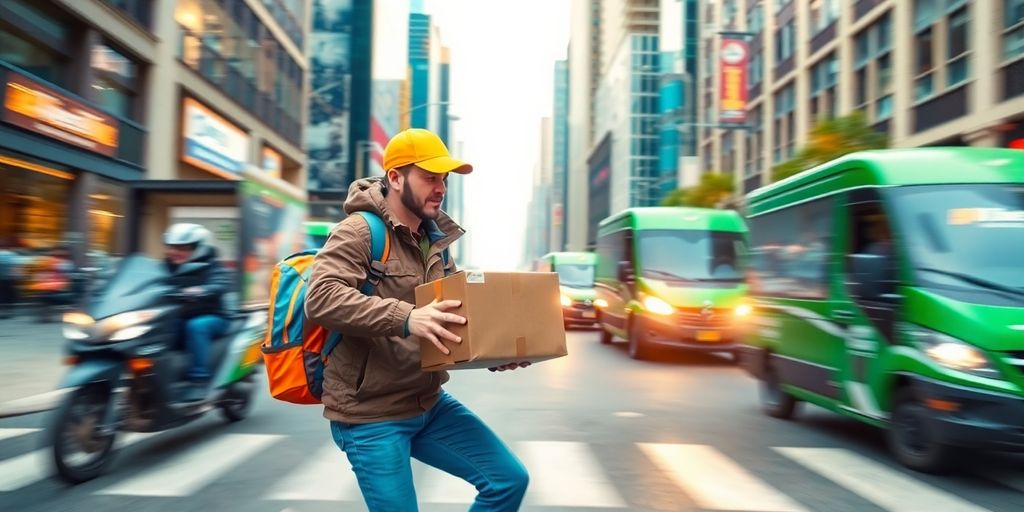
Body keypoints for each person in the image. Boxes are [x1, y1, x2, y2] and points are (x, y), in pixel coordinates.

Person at [305, 128, 531, 511]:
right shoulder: (360, 231)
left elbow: (456, 320)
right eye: (429, 177)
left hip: (427, 403)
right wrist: (408, 317)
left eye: (443, 179)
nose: (440, 187)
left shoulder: (436, 244)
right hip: (370, 416)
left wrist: (495, 354)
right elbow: (321, 297)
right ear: (395, 177)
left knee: (507, 480)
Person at [163, 223, 232, 402]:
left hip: (215, 317)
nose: (175, 252)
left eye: (183, 248)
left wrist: (200, 290)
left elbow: (220, 284)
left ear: (199, 248)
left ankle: (199, 380)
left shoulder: (212, 265)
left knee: (196, 326)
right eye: (173, 247)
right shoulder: (167, 267)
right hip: (179, 315)